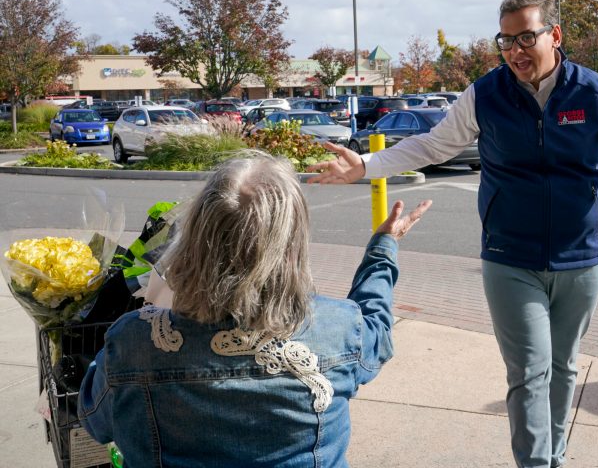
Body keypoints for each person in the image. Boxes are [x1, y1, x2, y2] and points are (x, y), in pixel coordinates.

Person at [307, 0, 598, 468]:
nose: (515, 50)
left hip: (581, 258)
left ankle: (553, 456)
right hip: (510, 257)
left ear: (553, 36)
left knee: (563, 367)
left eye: (525, 37)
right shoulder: (485, 94)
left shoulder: (594, 92)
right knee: (529, 371)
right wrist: (367, 166)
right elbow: (433, 145)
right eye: (506, 41)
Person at [77, 152, 432, 467]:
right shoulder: (339, 331)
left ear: (196, 241)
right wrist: (383, 249)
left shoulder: (134, 343)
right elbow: (377, 326)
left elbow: (94, 420)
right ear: (292, 247)